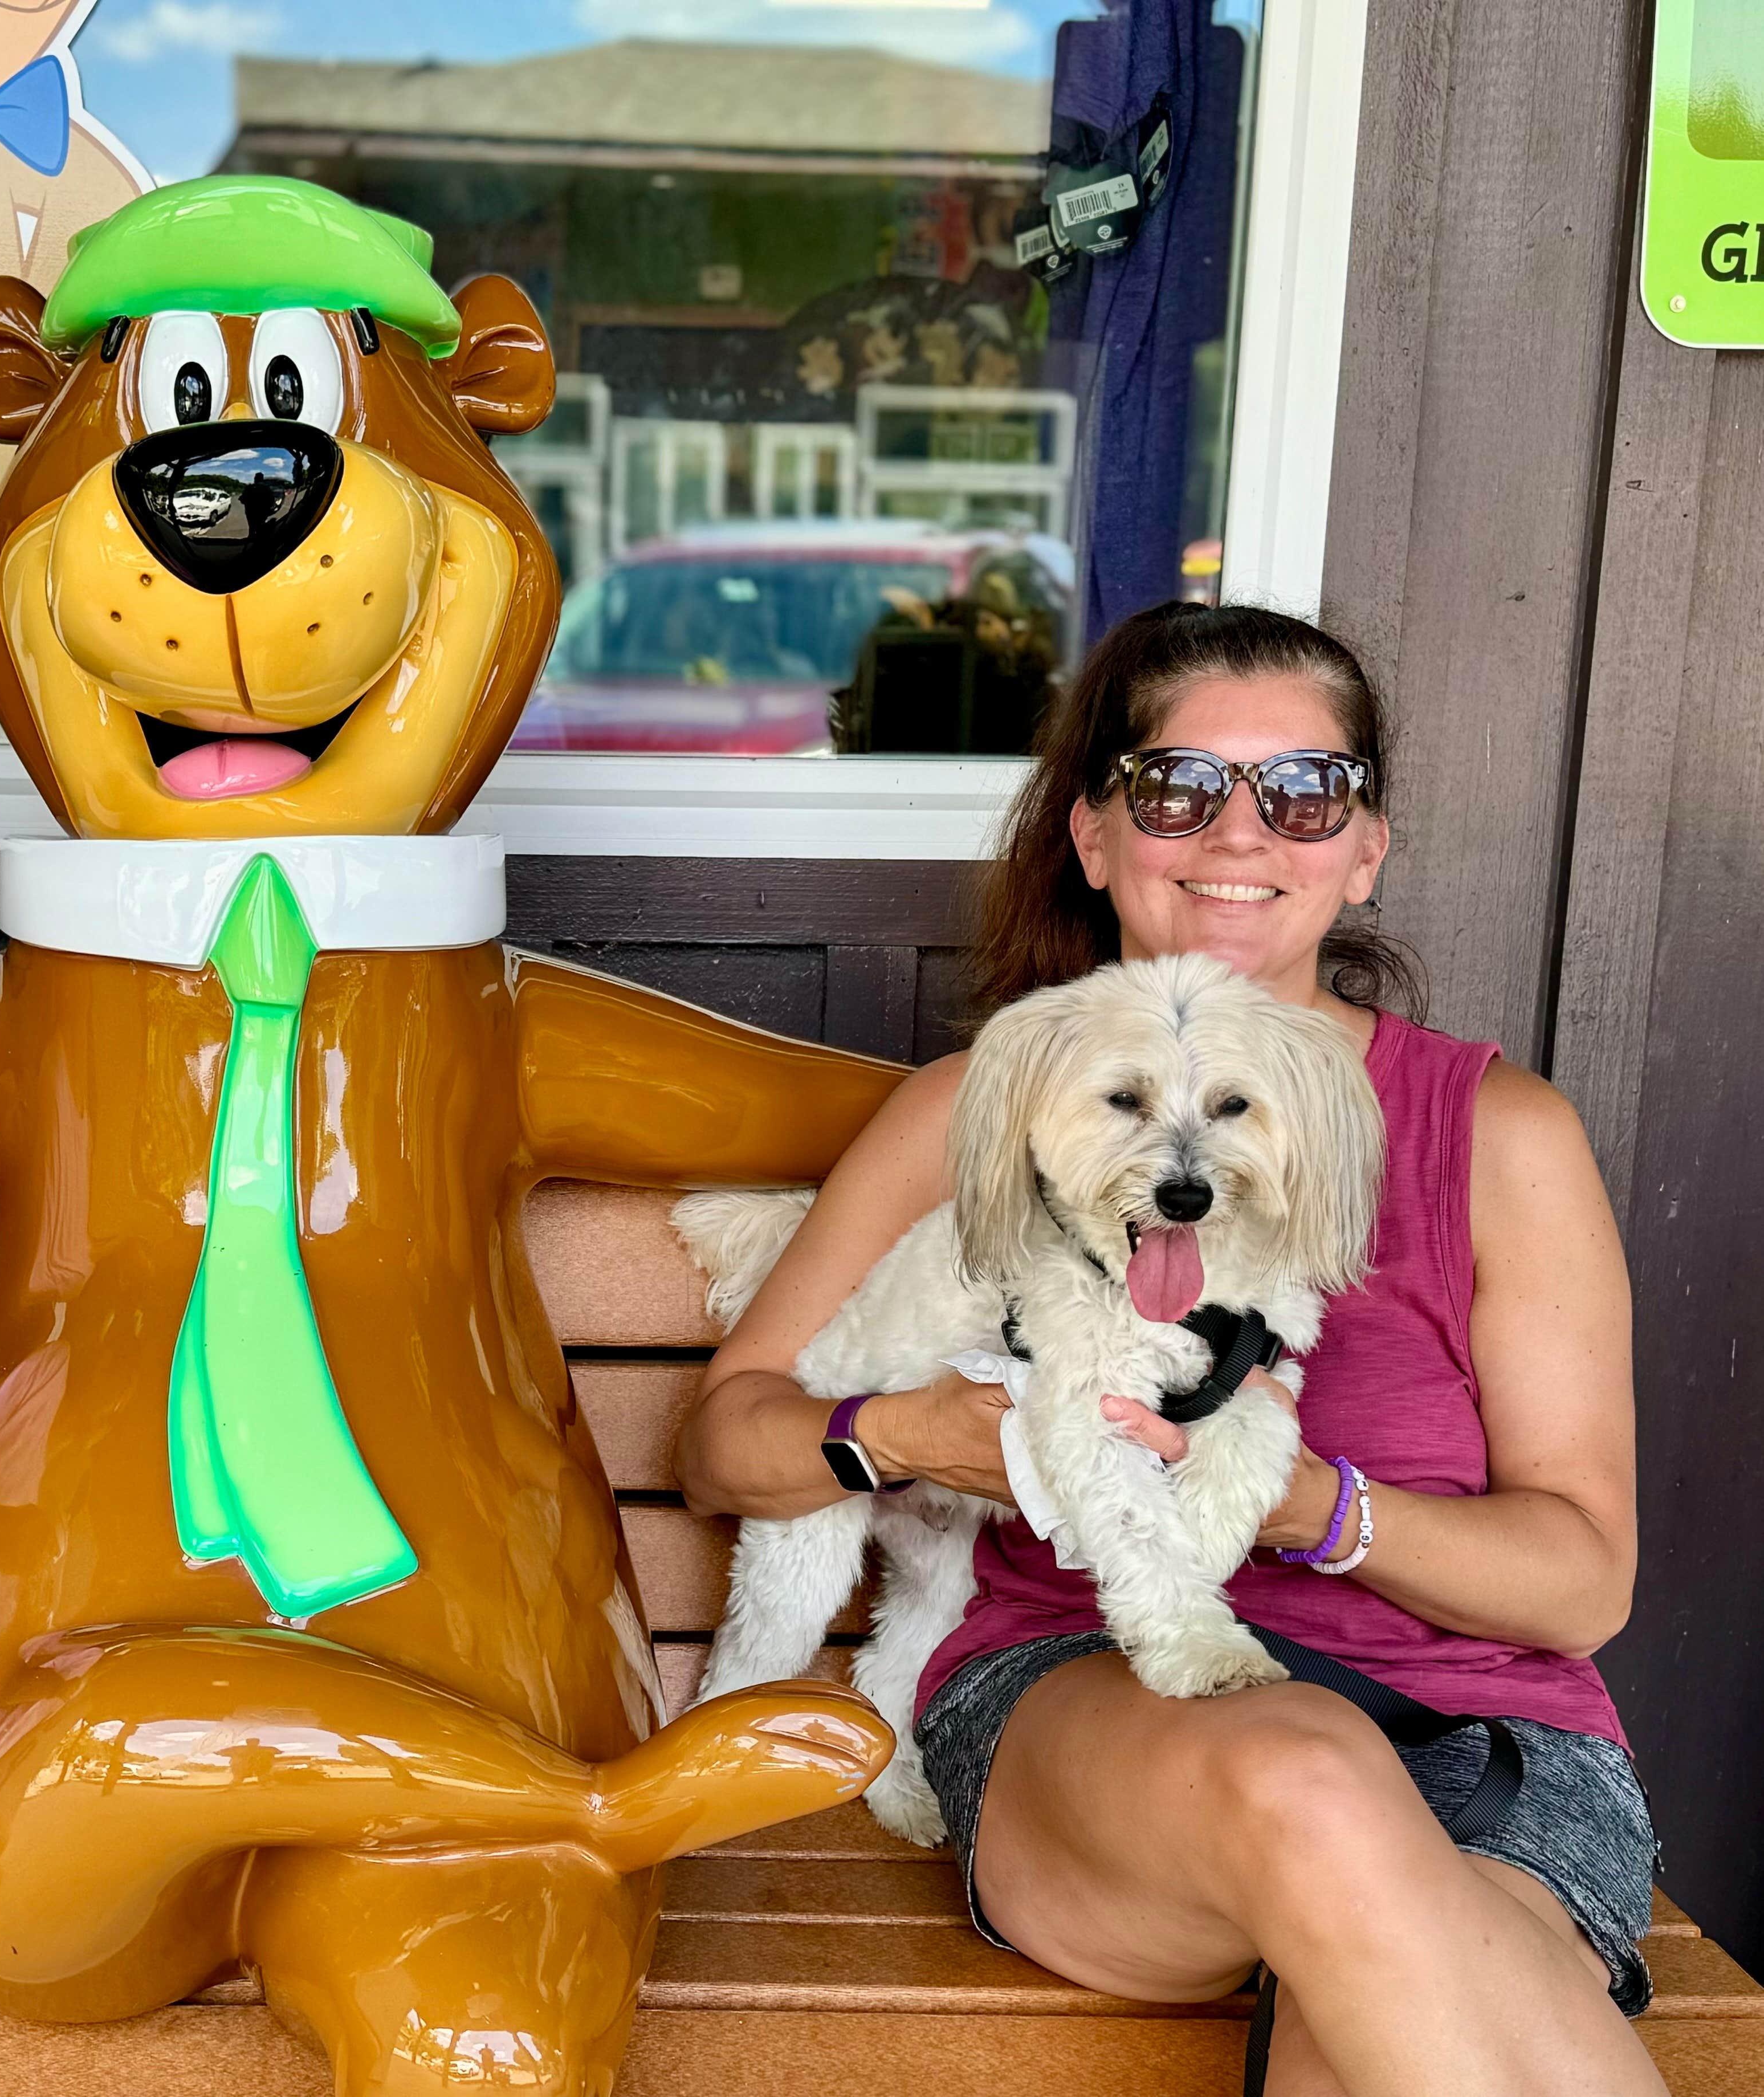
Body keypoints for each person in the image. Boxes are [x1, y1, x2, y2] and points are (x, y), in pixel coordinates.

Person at [677, 602, 1660, 2097]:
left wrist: (1305, 1506)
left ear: (1366, 847)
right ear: (1093, 835)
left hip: (1485, 1742)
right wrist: (917, 1434)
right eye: (1178, 786)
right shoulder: (977, 1108)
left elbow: (1581, 1583)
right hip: (1095, 1712)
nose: (1240, 832)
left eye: (1306, 791)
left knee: (1365, 2025)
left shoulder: (1499, 1138)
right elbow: (726, 1442)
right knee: (1307, 1769)